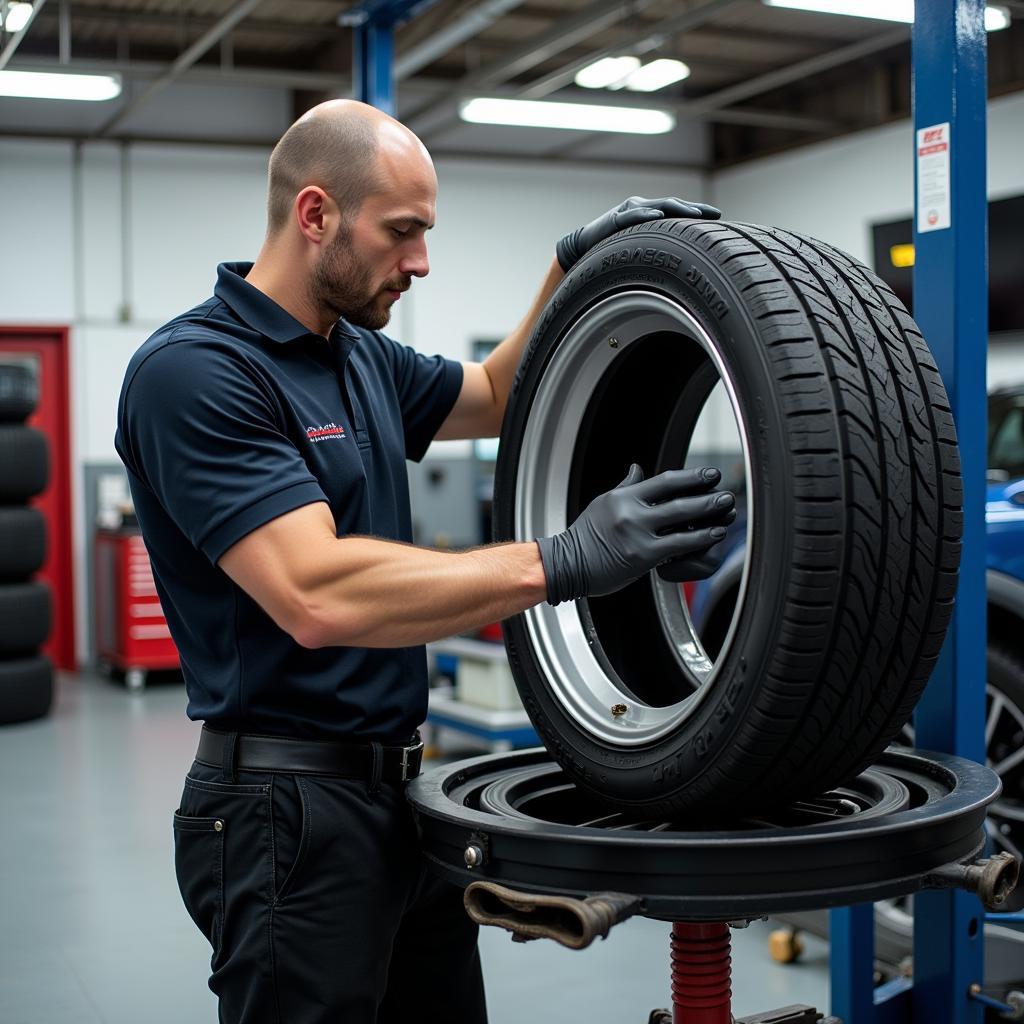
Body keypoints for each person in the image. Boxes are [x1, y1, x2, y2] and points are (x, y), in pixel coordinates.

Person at [114, 99, 734, 1023]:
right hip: (285, 813)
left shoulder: (359, 353)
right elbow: (312, 591)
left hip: (403, 794)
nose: (421, 262)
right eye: (402, 232)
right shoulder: (196, 372)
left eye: (427, 232)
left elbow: (489, 393)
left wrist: (569, 268)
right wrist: (564, 559)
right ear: (315, 214)